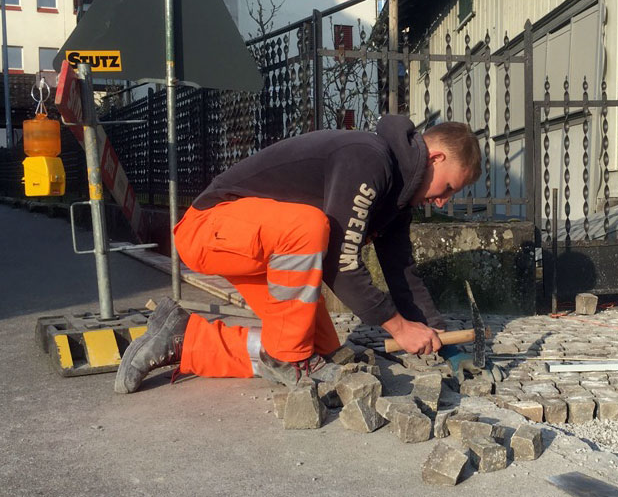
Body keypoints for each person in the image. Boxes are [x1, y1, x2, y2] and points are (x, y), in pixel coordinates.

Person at [114, 115, 481, 393]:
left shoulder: (397, 201)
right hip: (209, 228)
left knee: (320, 349)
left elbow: (402, 273)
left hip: (262, 245)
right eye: (449, 187)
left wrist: (442, 340)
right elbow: (341, 261)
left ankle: (185, 338)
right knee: (310, 227)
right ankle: (290, 359)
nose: (444, 200)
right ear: (435, 157)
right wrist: (398, 328)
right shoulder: (368, 159)